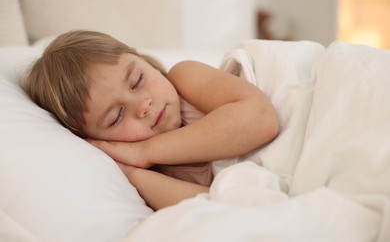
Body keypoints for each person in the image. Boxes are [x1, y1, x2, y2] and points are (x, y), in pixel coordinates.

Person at [23, 30, 280, 210]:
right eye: (116, 117)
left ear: (144, 60)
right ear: (99, 140)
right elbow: (225, 207)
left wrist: (145, 151)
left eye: (137, 80)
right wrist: (131, 171)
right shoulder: (153, 173)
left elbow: (261, 119)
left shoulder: (184, 80)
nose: (142, 105)